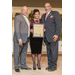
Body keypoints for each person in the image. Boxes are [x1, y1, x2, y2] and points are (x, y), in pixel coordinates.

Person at [41, 3, 61, 71]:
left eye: (47, 6)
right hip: (46, 37)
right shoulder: (43, 16)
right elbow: (43, 25)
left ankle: (53, 66)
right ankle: (50, 65)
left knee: (54, 52)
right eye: (45, 7)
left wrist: (57, 34)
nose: (46, 8)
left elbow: (58, 24)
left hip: (53, 37)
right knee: (49, 52)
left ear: (50, 7)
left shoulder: (55, 13)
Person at [13, 6, 31, 72]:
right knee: (17, 53)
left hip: (26, 38)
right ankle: (16, 66)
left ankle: (23, 65)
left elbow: (27, 28)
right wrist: (19, 38)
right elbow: (17, 29)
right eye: (24, 10)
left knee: (24, 53)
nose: (25, 11)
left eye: (26, 10)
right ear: (21, 10)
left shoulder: (27, 18)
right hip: (19, 39)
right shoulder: (18, 17)